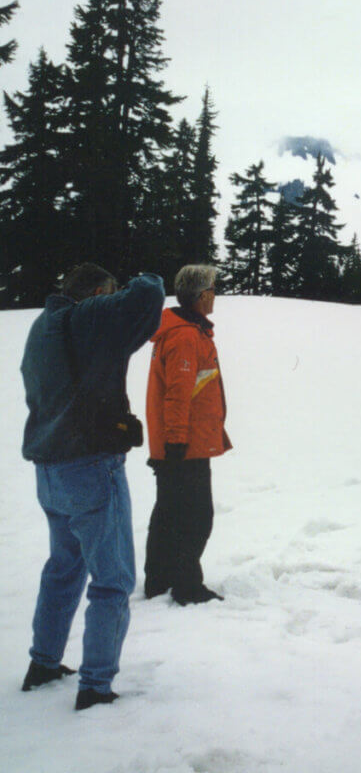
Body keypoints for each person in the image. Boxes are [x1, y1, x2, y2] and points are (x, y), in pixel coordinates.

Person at [21, 263, 165, 710]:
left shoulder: (42, 325)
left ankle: (43, 664)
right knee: (113, 579)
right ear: (99, 293)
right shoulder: (86, 319)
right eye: (109, 292)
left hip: (49, 469)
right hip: (89, 468)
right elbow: (149, 294)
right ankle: (95, 687)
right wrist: (143, 274)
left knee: (63, 568)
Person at [144, 264, 232, 605]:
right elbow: (177, 394)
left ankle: (159, 580)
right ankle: (187, 586)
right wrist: (177, 441)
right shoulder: (184, 336)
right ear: (202, 295)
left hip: (180, 442)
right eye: (213, 289)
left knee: (168, 511)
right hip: (185, 446)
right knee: (195, 516)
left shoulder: (187, 331)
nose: (215, 296)